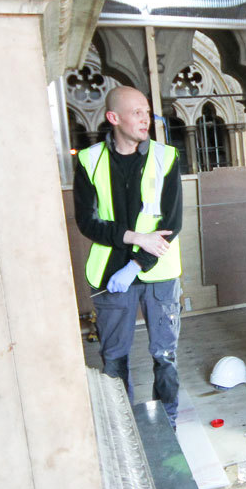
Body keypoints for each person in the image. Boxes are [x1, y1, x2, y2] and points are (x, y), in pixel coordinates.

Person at [74, 86, 183, 425]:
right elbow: (87, 222)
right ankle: (123, 425)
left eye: (147, 112)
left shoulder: (166, 157)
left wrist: (137, 264)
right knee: (113, 357)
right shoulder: (88, 161)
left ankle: (168, 421)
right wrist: (134, 238)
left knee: (164, 355)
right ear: (113, 118)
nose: (145, 119)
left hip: (158, 274)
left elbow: (171, 223)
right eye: (137, 112)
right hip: (110, 275)